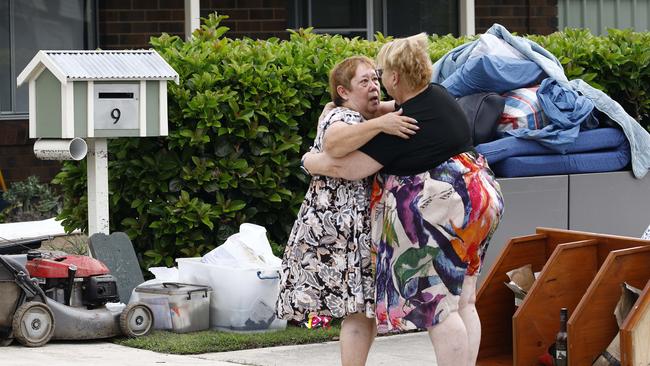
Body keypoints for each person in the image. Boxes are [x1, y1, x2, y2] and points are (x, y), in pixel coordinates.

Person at [302, 34, 505, 366]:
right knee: (464, 300)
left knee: (438, 306)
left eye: (380, 74)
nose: (378, 82)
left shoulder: (404, 125)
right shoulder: (434, 96)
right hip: (481, 196)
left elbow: (349, 167)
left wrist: (310, 160)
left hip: (444, 205)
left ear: (395, 77)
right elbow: (380, 109)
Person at [275, 55, 419, 366]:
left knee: (362, 309)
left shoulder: (357, 115)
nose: (373, 87)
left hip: (353, 226)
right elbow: (334, 142)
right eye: (364, 81)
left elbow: (393, 108)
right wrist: (383, 123)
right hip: (338, 231)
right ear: (343, 91)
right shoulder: (343, 117)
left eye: (375, 79)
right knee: (357, 309)